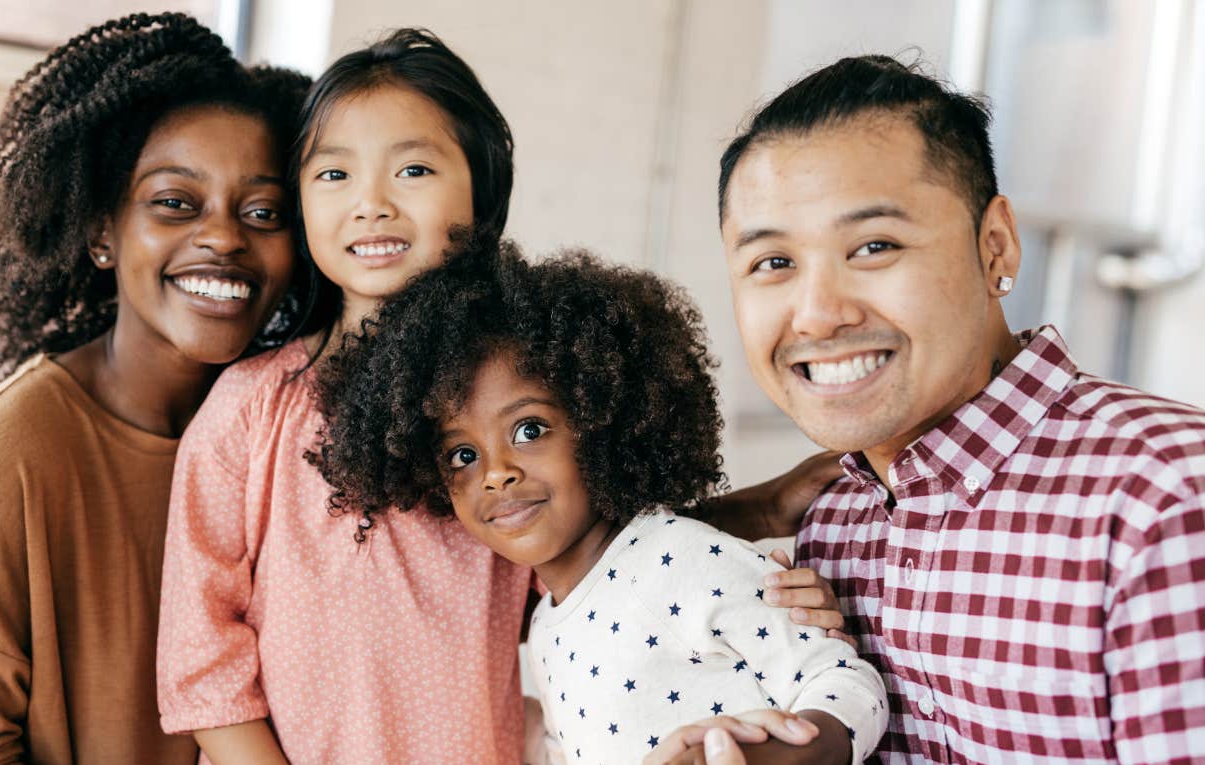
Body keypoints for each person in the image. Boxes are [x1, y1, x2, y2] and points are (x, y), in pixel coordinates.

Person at [156, 27, 844, 764]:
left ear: (482, 196)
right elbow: (202, 663)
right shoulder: (250, 411)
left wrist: (753, 544)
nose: (371, 204)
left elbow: (607, 555)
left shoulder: (521, 393)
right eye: (334, 176)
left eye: (413, 169)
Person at [694, 54, 1205, 764]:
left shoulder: (1167, 500)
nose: (816, 315)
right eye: (773, 264)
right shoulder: (826, 529)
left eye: (875, 246)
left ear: (994, 245)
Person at [0, 13, 310, 762]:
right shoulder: (7, 458)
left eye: (264, 211)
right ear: (102, 233)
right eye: (175, 201)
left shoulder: (297, 433)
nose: (224, 236)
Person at [311, 235, 890, 765]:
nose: (497, 474)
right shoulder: (546, 628)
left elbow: (845, 684)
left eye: (529, 430)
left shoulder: (687, 559)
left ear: (604, 420)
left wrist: (770, 758)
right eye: (461, 457)